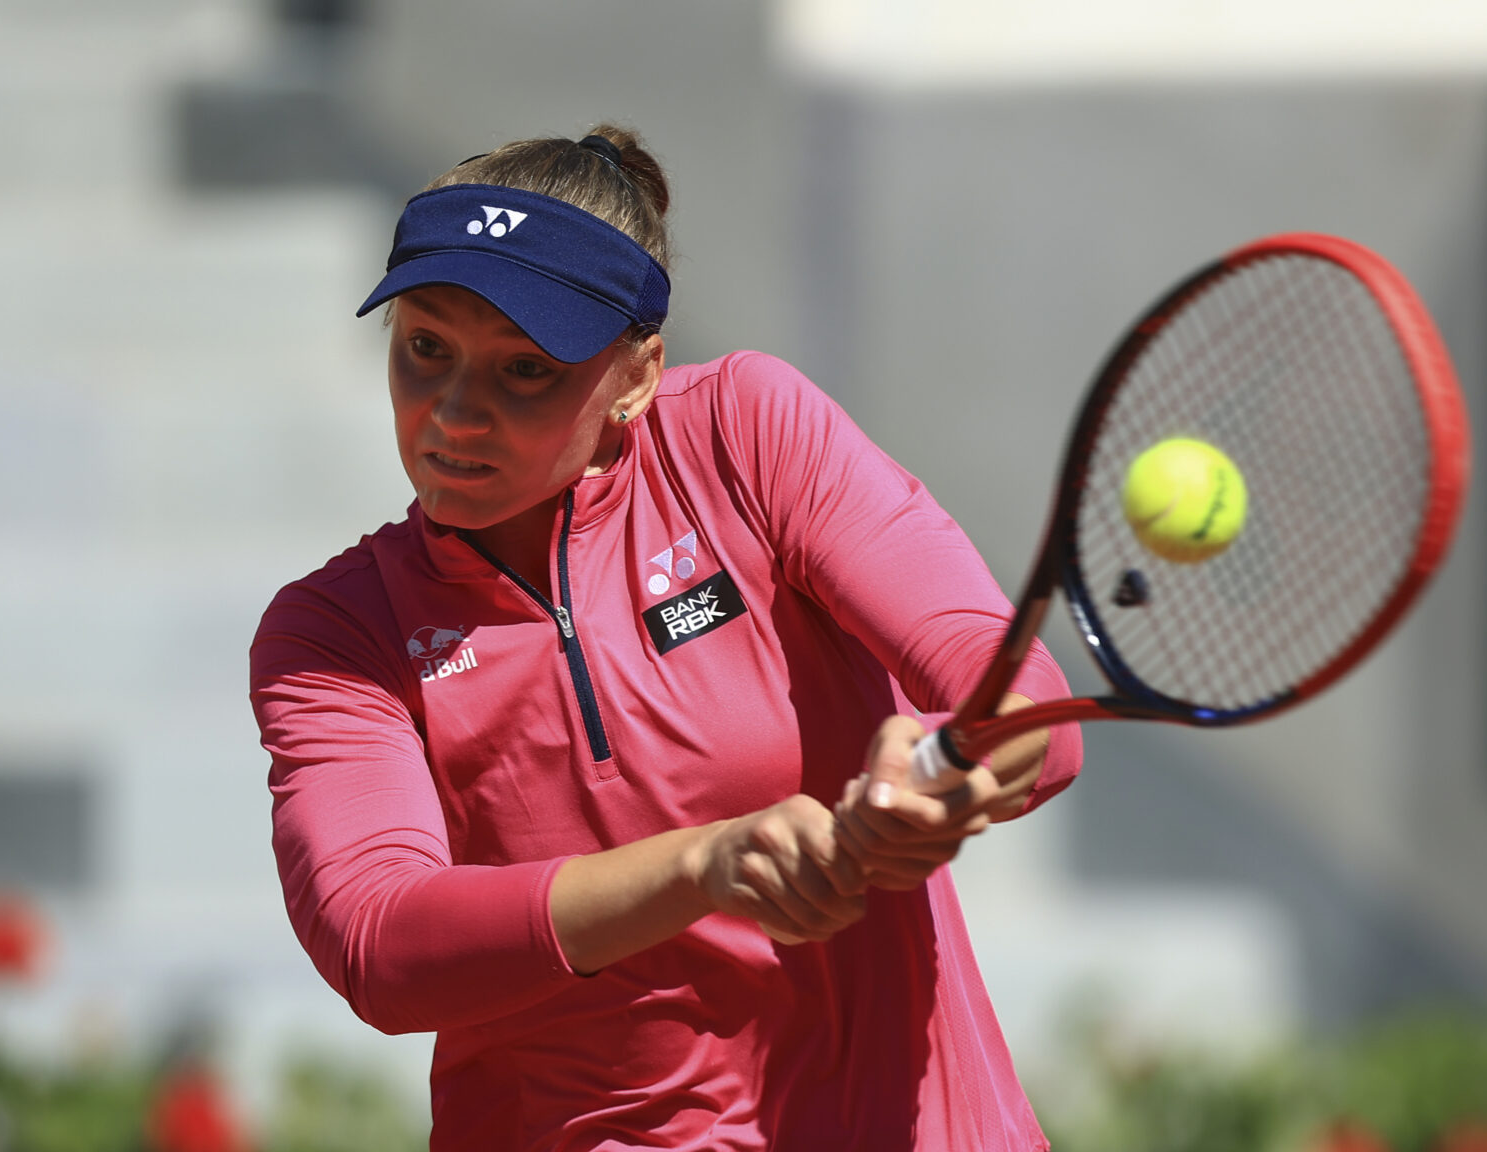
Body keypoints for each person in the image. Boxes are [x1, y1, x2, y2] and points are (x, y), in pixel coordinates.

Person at [250, 124, 1084, 1151]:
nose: (455, 413)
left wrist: (951, 774)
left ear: (637, 375)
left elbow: (1025, 704)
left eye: (524, 369)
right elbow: (380, 944)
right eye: (426, 349)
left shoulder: (744, 434)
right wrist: (700, 866)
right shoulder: (334, 630)